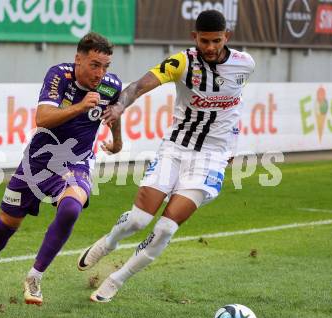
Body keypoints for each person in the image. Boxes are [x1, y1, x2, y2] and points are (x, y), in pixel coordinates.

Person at [77, 10, 255, 303]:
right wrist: (121, 105)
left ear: (227, 37)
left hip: (211, 159)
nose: (210, 47)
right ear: (194, 37)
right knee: (138, 220)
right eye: (204, 41)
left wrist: (230, 147)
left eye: (216, 41)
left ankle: (115, 280)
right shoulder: (182, 62)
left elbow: (234, 108)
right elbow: (138, 85)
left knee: (165, 228)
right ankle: (108, 243)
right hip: (175, 149)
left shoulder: (245, 64)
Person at [0, 32, 123, 306]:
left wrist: (117, 142)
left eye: (105, 66)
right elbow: (43, 118)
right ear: (78, 59)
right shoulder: (60, 75)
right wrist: (81, 107)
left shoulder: (110, 86)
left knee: (71, 208)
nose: (100, 73)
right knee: (6, 226)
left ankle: (35, 277)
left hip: (76, 162)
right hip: (38, 162)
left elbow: (114, 114)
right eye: (95, 65)